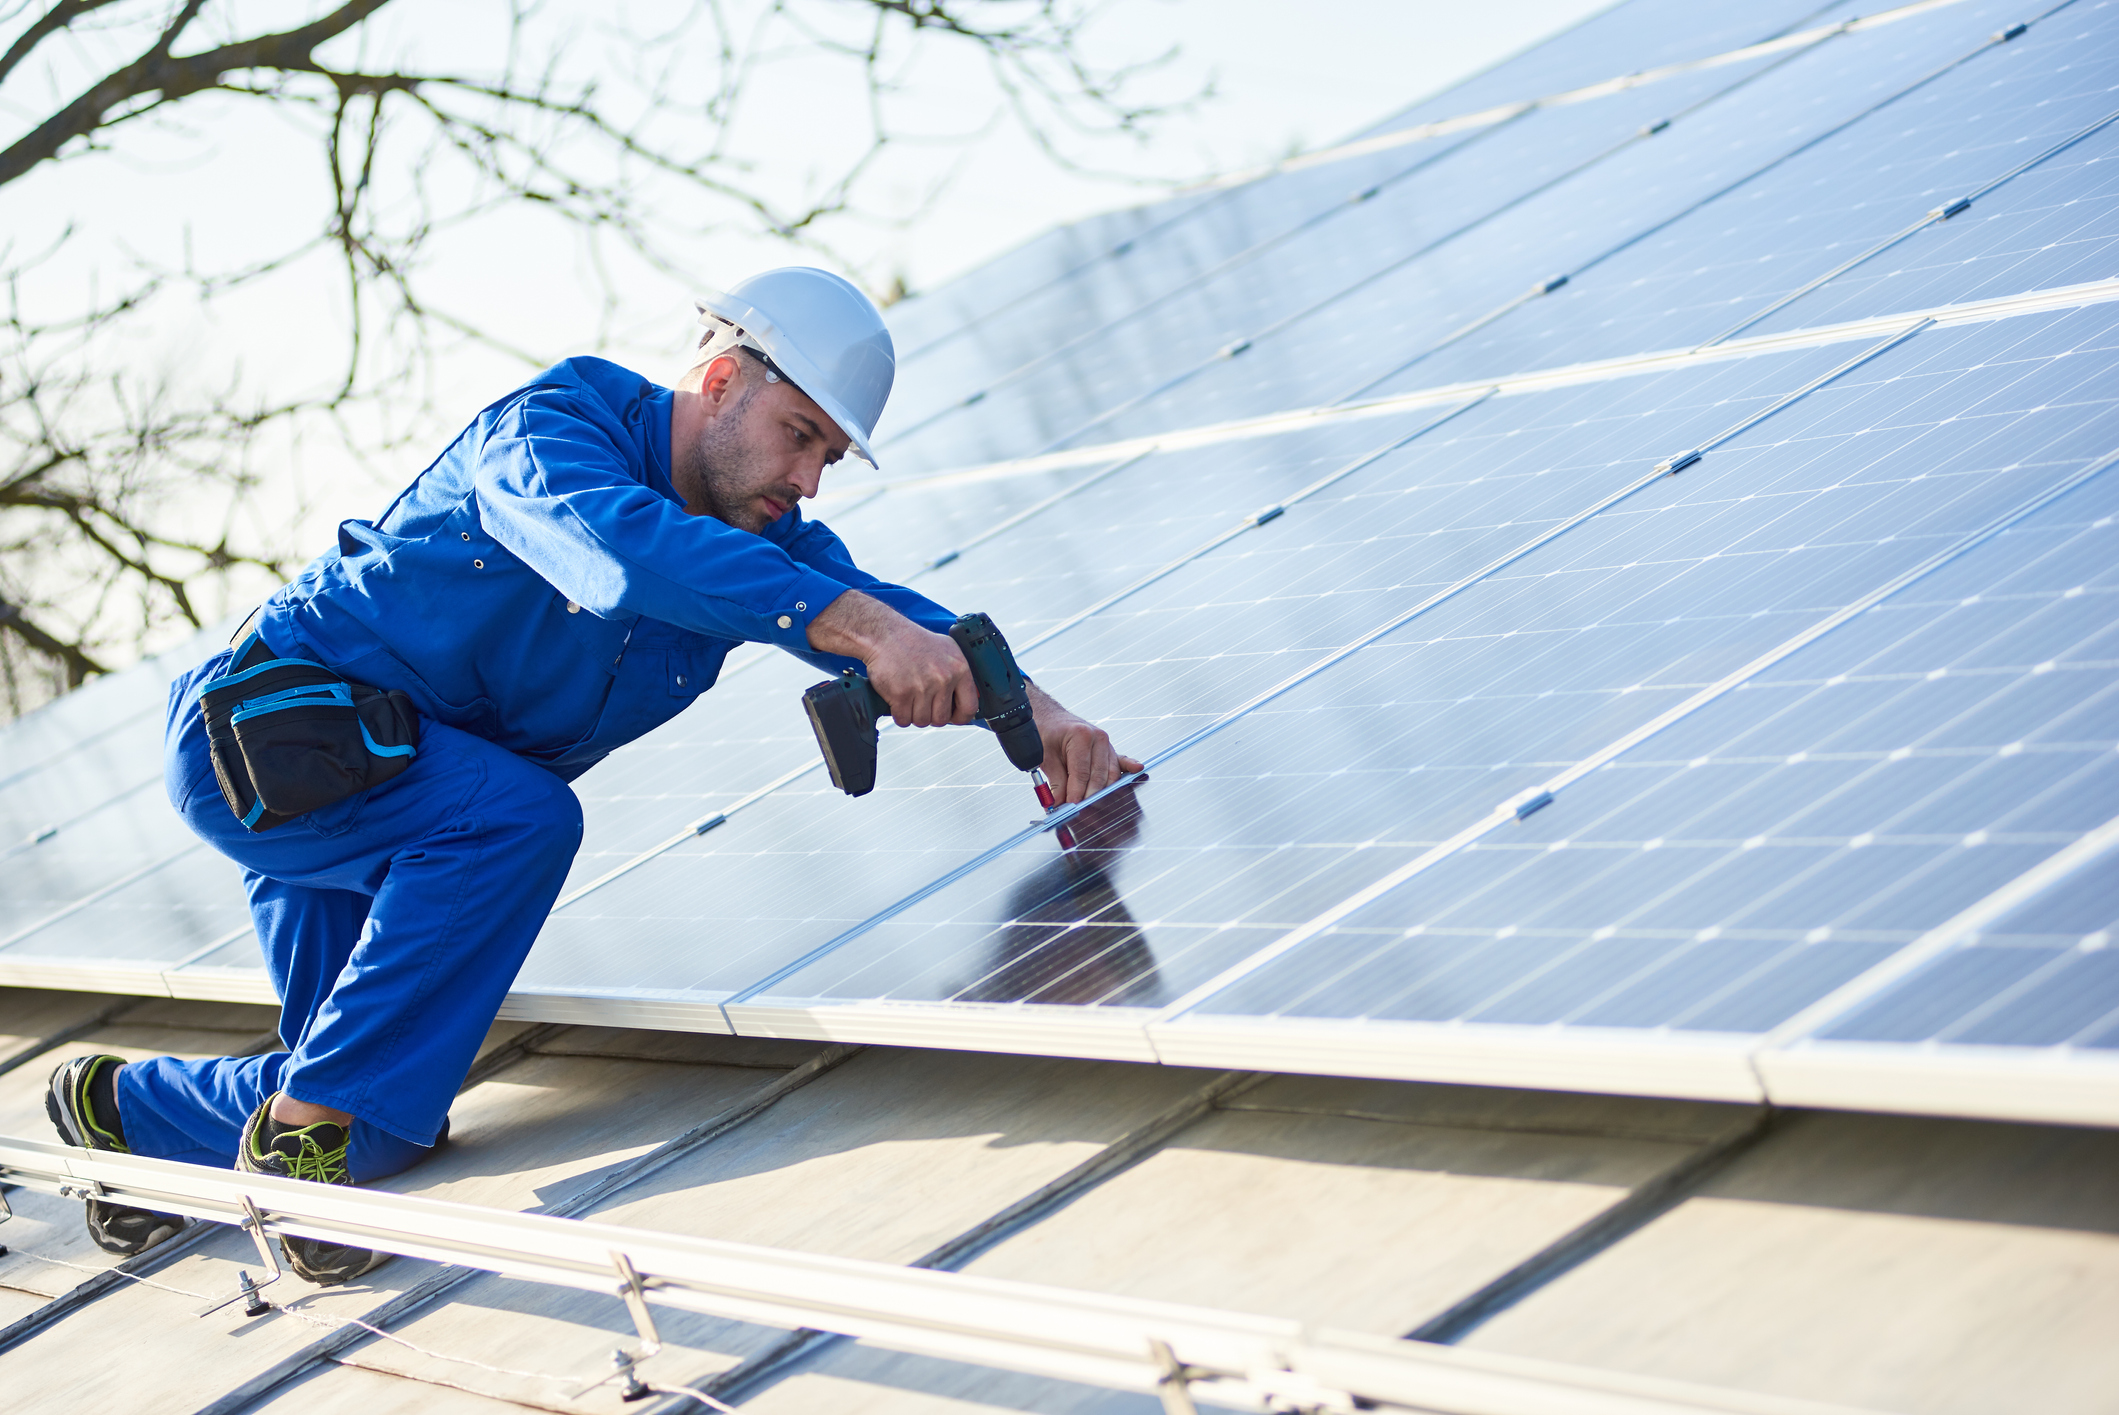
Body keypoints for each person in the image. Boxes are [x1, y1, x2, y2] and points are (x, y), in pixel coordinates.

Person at [43, 268, 1141, 1283]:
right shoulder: (545, 434)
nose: (806, 479)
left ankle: (118, 1108)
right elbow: (615, 549)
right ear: (720, 382)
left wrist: (1031, 707)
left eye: (828, 461)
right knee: (518, 823)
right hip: (276, 745)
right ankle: (293, 1149)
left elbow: (894, 611)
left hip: (400, 809)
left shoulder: (766, 540)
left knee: (372, 1116)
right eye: (798, 435)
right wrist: (842, 621)